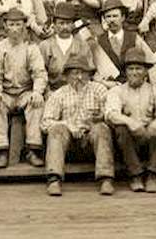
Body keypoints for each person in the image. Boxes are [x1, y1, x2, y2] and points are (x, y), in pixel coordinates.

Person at [42, 55, 115, 196]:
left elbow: (111, 113)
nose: (79, 77)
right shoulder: (58, 95)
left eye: (83, 73)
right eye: (74, 73)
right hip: (67, 147)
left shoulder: (99, 90)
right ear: (67, 76)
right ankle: (54, 179)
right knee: (56, 129)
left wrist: (98, 119)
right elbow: (45, 122)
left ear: (89, 74)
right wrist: (68, 125)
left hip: (92, 145)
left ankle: (106, 179)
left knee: (101, 128)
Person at [104, 47, 156, 193]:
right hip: (128, 142)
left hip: (151, 138)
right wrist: (131, 122)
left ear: (146, 71)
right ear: (126, 71)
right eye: (131, 69)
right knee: (121, 128)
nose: (135, 72)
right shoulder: (117, 91)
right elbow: (111, 114)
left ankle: (152, 175)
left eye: (139, 69)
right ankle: (135, 175)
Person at [0, 8, 49, 168]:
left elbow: (39, 74)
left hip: (25, 92)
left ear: (23, 26)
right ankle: (1, 151)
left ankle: (32, 149)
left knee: (37, 102)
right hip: (6, 92)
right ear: (5, 26)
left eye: (18, 24)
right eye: (11, 24)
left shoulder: (31, 48)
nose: (15, 28)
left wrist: (37, 91)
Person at [88, 0, 156, 88]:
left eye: (115, 16)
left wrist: (155, 87)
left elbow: (152, 61)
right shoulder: (98, 41)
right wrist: (104, 82)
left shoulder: (134, 37)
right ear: (104, 19)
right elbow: (93, 70)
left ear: (123, 17)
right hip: (109, 88)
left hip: (134, 85)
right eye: (108, 17)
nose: (112, 20)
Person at [38, 2, 92, 93]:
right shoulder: (45, 45)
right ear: (54, 25)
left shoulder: (82, 45)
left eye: (68, 23)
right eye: (61, 23)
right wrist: (47, 92)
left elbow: (89, 71)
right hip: (53, 91)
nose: (65, 27)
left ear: (73, 24)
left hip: (77, 91)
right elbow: (40, 73)